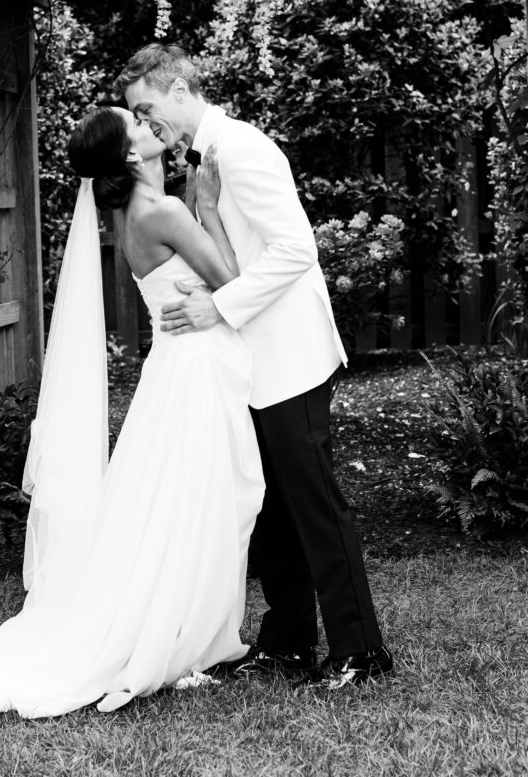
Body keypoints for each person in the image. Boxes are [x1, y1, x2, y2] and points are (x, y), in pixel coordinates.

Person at [0, 107, 264, 740]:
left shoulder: (131, 215)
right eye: (137, 125)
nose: (151, 126)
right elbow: (236, 283)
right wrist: (207, 209)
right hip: (198, 367)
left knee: (184, 499)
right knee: (207, 497)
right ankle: (189, 635)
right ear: (129, 155)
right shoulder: (169, 212)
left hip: (176, 369)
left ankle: (188, 626)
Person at [119, 42, 393, 689]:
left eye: (148, 108)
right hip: (248, 362)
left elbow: (296, 249)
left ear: (181, 90)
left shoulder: (241, 148)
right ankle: (288, 641)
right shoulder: (201, 161)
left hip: (288, 356)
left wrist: (221, 307)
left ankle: (361, 650)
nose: (146, 123)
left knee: (315, 506)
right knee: (273, 513)